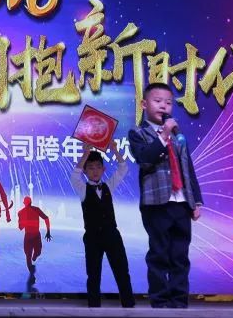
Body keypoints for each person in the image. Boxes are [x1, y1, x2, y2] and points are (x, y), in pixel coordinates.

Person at [128, 82, 203, 308]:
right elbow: (145, 159)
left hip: (181, 202)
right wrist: (164, 134)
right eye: (158, 101)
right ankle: (159, 301)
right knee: (159, 253)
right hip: (156, 204)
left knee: (180, 255)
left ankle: (179, 301)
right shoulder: (138, 133)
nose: (164, 106)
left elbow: (188, 167)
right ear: (144, 104)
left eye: (168, 103)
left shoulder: (179, 136)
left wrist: (196, 201)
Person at [69, 139, 135, 308]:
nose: (95, 171)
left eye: (98, 167)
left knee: (122, 271)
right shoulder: (82, 189)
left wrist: (115, 150)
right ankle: (93, 308)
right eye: (90, 168)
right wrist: (85, 153)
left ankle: (129, 306)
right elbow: (74, 175)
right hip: (92, 237)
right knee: (93, 274)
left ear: (103, 169)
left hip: (112, 235)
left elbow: (123, 168)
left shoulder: (108, 186)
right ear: (85, 171)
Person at [17, 196, 51, 282]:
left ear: (24, 203)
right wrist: (48, 231)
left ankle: (34, 259)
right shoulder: (22, 212)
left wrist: (48, 231)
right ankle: (32, 274)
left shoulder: (32, 210)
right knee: (30, 255)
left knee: (33, 255)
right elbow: (46, 218)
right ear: (31, 202)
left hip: (34, 236)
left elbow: (20, 227)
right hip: (31, 236)